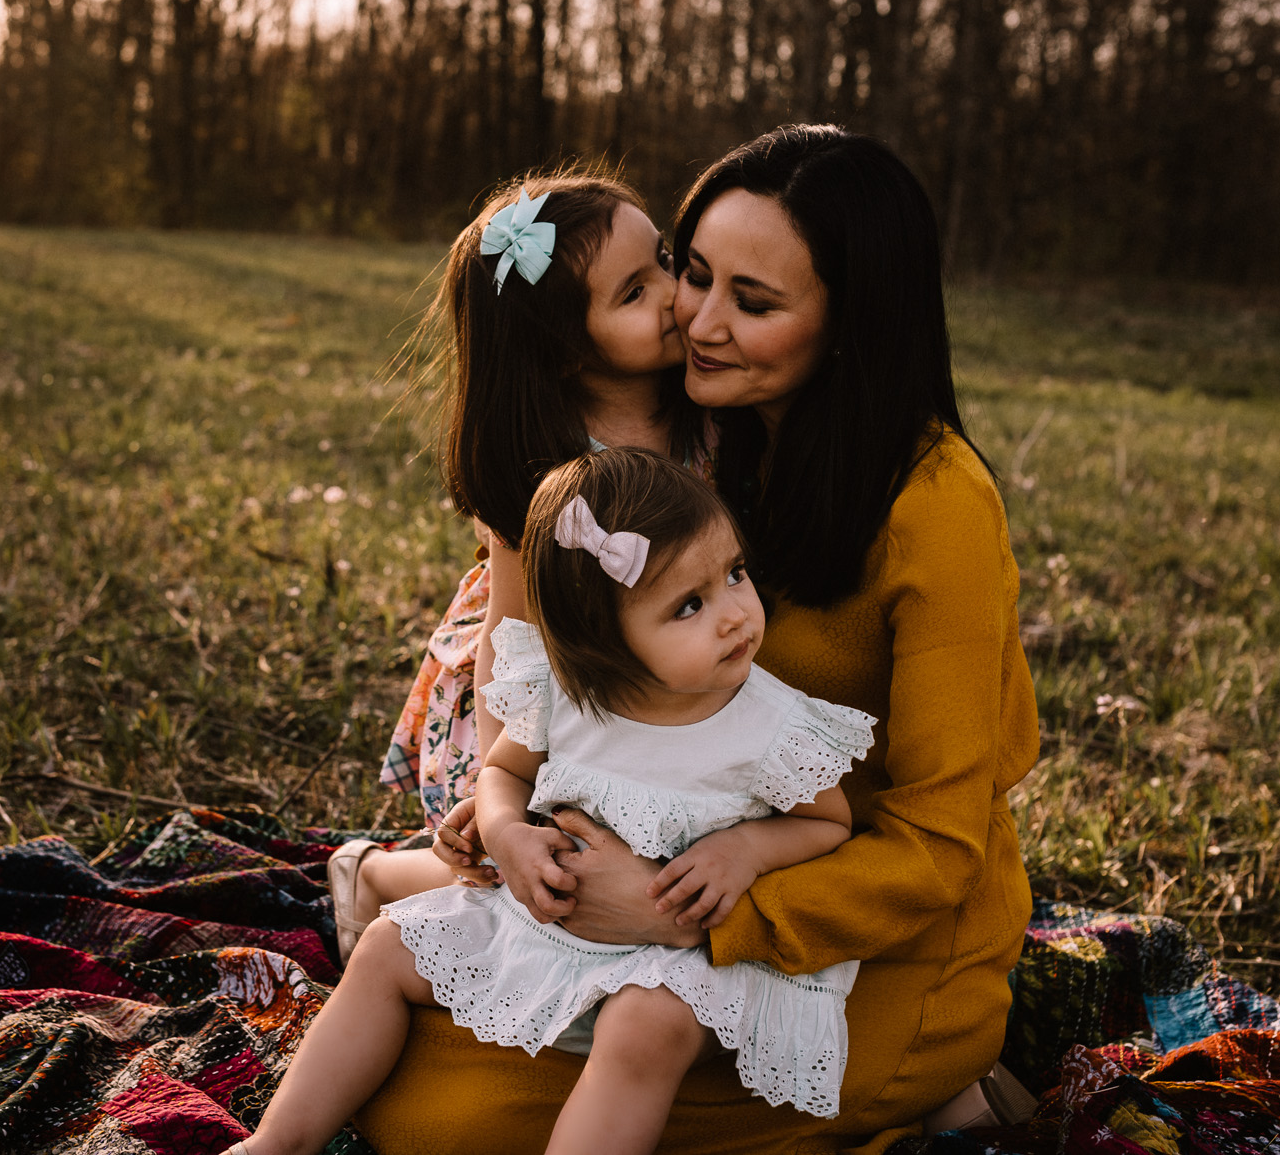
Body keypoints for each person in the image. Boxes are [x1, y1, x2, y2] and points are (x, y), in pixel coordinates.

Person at [352, 125, 1041, 1153]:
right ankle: (381, 877)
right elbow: (539, 671)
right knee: (408, 1104)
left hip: (845, 916)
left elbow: (936, 843)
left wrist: (685, 911)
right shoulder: (713, 444)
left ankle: (939, 1069)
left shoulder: (934, 503)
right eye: (696, 273)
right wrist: (528, 820)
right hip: (673, 872)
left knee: (446, 1124)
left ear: (850, 319)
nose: (696, 319)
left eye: (750, 302)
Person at [226, 450, 875, 1155]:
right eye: (689, 604)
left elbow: (826, 821)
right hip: (544, 930)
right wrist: (505, 832)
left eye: (734, 574)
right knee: (386, 945)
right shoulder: (565, 696)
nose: (734, 615)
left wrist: (744, 849)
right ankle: (278, 1142)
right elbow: (502, 772)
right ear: (600, 640)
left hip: (680, 963)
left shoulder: (769, 724)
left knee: (642, 1026)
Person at [334, 170, 705, 955]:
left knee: (650, 860)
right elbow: (512, 637)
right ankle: (377, 876)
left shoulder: (707, 411)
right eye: (635, 293)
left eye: (665, 261)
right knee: (550, 869)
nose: (675, 292)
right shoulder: (550, 466)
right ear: (566, 351)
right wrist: (505, 794)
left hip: (652, 677)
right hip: (537, 696)